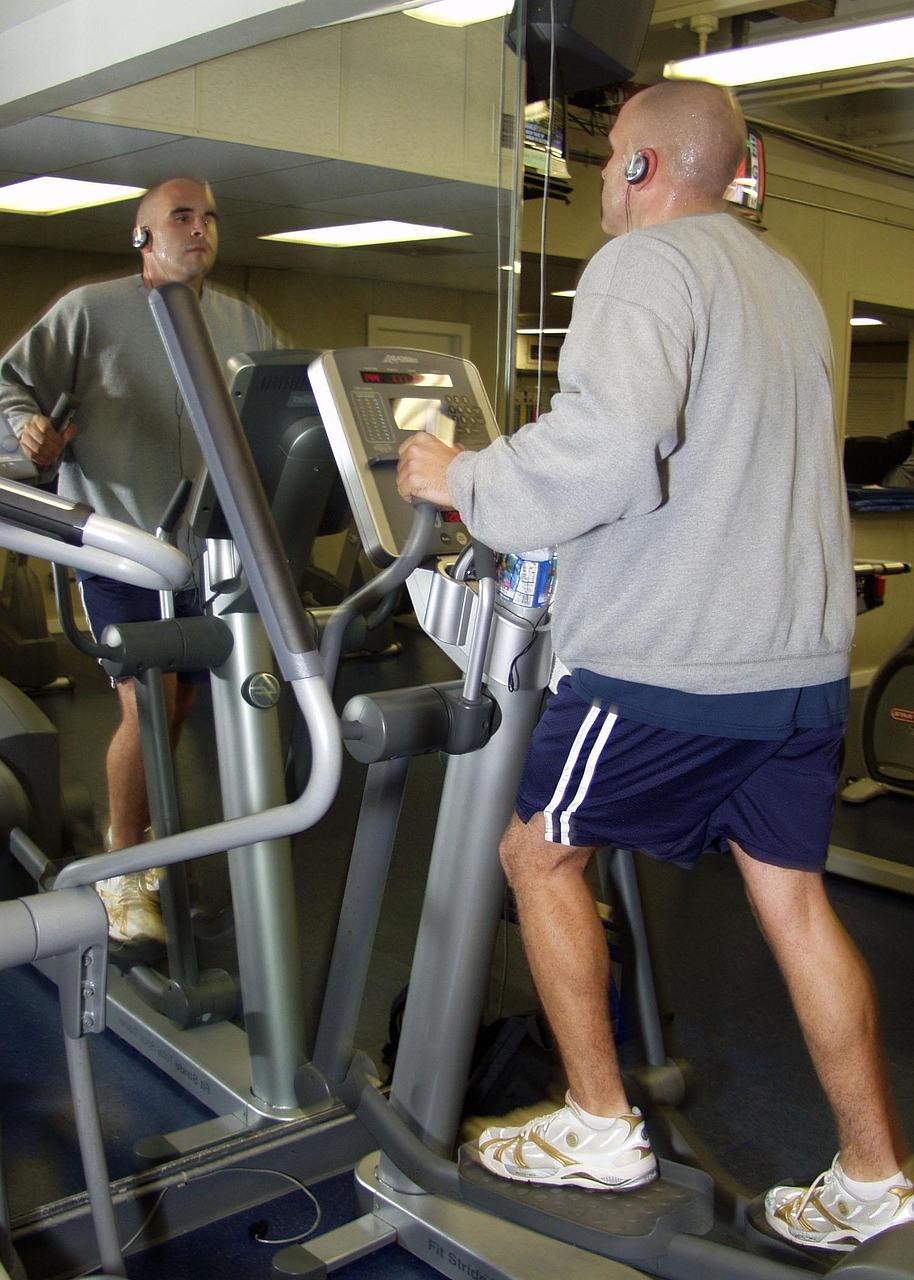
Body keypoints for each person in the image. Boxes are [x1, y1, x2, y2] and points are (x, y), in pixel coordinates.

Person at [396, 80, 913, 1254]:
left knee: (536, 854)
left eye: (607, 158)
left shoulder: (641, 265)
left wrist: (457, 476)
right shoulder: (779, 281)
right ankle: (873, 1173)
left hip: (674, 664)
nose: (597, 179)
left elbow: (609, 448)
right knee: (791, 900)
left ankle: (597, 1121)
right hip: (794, 665)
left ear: (639, 166)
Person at [0, 177, 278, 946]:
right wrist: (26, 431)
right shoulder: (90, 311)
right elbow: (9, 384)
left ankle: (136, 834)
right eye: (181, 216)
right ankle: (122, 867)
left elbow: (289, 395)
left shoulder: (242, 320)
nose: (200, 228)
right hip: (120, 549)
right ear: (142, 236)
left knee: (178, 704)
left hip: (205, 551)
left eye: (210, 217)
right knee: (148, 703)